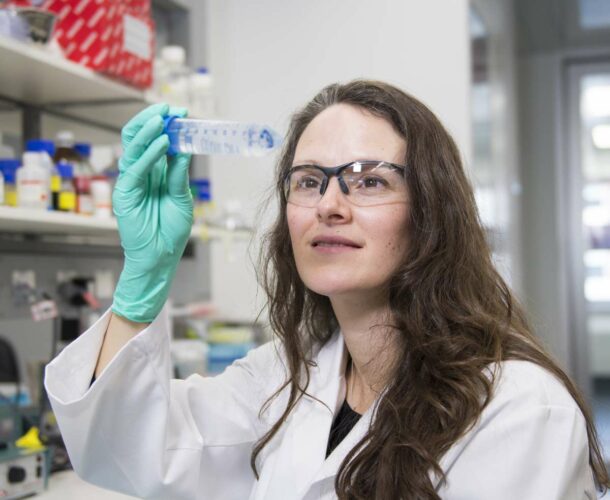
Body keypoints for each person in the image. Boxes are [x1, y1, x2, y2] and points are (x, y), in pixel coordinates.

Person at [45, 80, 609, 500]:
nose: (329, 205)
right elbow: (124, 447)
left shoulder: (518, 409)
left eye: (368, 179)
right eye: (309, 181)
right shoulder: (284, 379)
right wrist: (142, 282)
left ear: (432, 212)